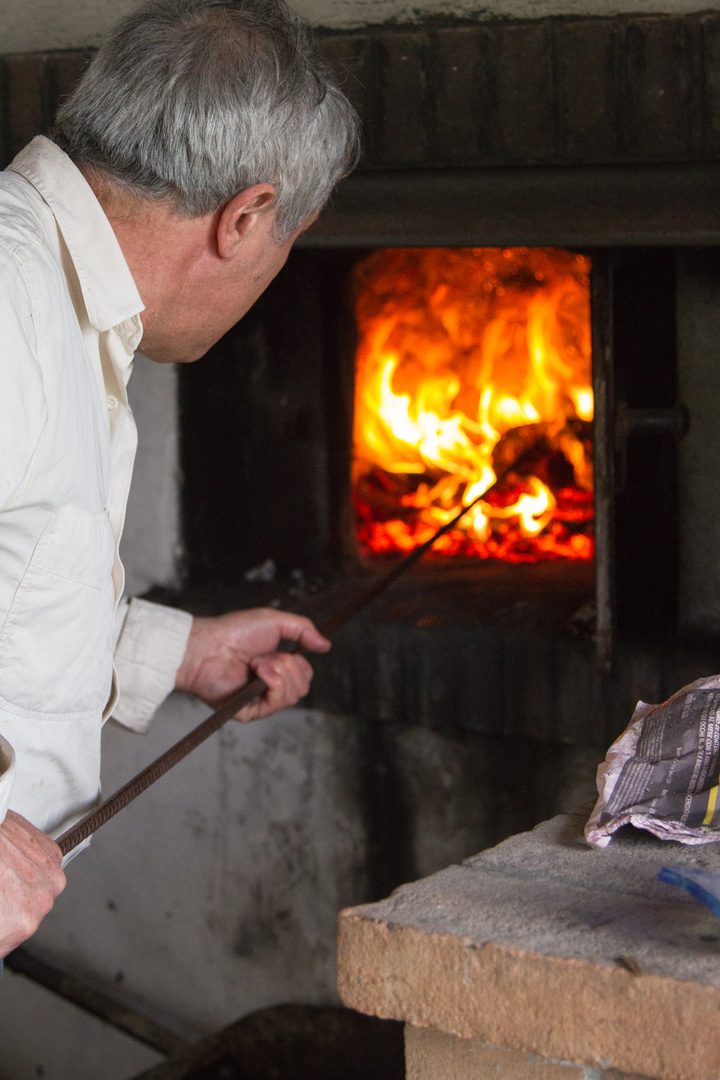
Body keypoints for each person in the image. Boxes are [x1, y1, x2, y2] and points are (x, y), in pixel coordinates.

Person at [0, 0, 360, 959]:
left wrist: (173, 650)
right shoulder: (9, 301)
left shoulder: (57, 300)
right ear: (245, 216)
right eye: (288, 244)